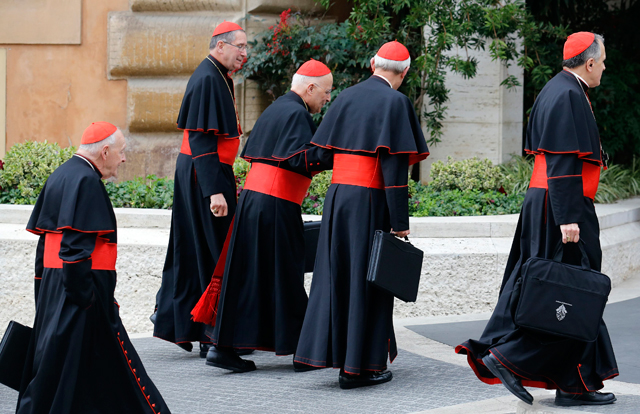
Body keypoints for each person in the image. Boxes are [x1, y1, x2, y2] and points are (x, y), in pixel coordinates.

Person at [455, 32, 618, 407]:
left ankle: (573, 384)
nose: (605, 67)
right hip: (561, 206)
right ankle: (510, 358)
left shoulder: (559, 88)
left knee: (569, 291)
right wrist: (568, 218)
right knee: (571, 291)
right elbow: (562, 161)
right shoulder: (566, 94)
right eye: (603, 60)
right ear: (589, 63)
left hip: (551, 202)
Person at [292, 41, 429, 389]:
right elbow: (394, 171)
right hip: (371, 199)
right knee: (369, 281)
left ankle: (334, 357)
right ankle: (360, 368)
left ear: (372, 63)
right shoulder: (396, 103)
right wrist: (400, 224)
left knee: (337, 275)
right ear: (405, 71)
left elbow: (321, 154)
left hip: (339, 199)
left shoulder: (345, 97)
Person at [191, 60, 334, 372]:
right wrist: (336, 150)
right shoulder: (296, 112)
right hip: (275, 205)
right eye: (326, 92)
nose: (327, 98)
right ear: (309, 88)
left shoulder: (278, 107)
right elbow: (301, 158)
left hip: (257, 203)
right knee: (287, 275)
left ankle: (224, 347)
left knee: (252, 279)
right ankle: (303, 350)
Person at [18, 122, 171, 414]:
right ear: (104, 152)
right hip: (82, 301)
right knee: (112, 372)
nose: (124, 159)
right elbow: (74, 251)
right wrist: (86, 299)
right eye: (121, 152)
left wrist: (45, 297)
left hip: (57, 293)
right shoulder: (86, 181)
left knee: (62, 373)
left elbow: (44, 251)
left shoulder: (62, 174)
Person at [152, 21, 246, 357]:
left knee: (202, 249)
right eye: (240, 47)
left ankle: (201, 327)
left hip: (205, 171)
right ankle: (212, 335)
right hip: (204, 174)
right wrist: (214, 192)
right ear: (220, 46)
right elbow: (201, 137)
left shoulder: (216, 75)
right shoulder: (208, 77)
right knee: (213, 251)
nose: (244, 54)